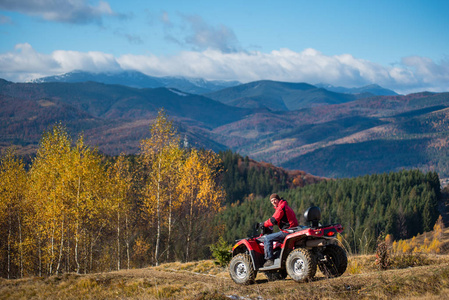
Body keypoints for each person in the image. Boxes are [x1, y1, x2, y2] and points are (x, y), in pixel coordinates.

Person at [262, 193, 299, 267]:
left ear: (278, 199)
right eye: (272, 201)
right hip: (293, 229)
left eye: (275, 200)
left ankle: (269, 260)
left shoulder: (281, 207)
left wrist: (263, 224)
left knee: (267, 238)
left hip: (287, 231)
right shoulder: (284, 205)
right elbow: (278, 220)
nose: (273, 202)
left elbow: (273, 220)